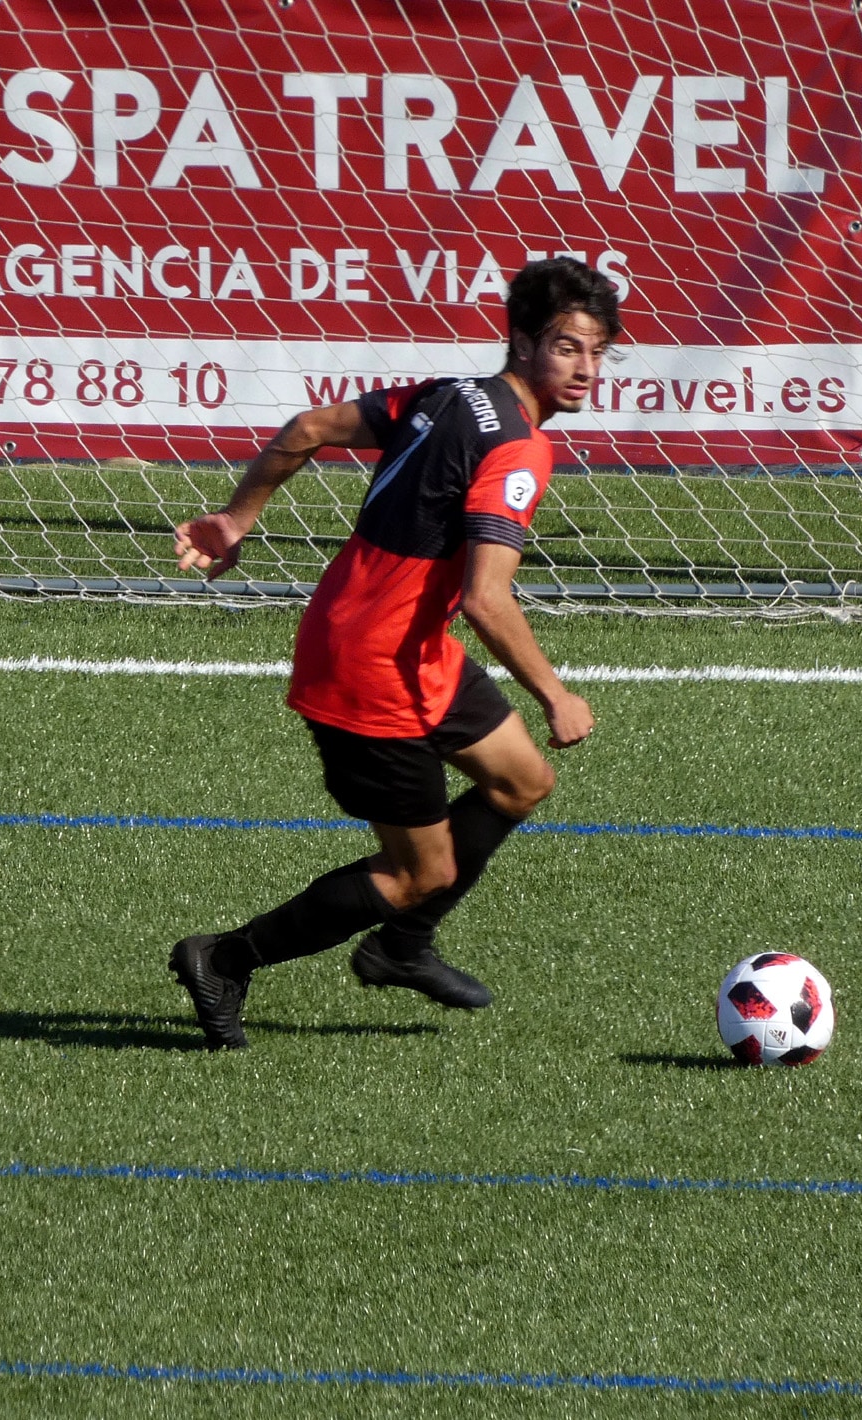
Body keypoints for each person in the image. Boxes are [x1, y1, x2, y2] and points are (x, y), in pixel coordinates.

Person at [166, 257, 613, 1050]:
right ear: (518, 342)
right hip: (371, 668)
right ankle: (227, 958)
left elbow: (307, 429)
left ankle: (400, 947)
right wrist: (554, 694)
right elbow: (485, 597)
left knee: (521, 781)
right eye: (566, 347)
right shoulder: (518, 449)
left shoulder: (445, 396)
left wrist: (236, 519)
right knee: (419, 873)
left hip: (404, 644)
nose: (584, 368)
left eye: (596, 350)